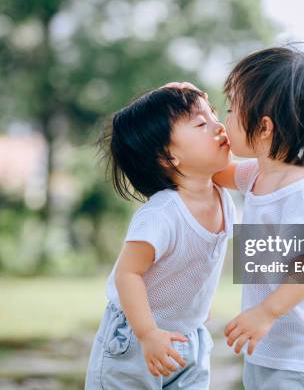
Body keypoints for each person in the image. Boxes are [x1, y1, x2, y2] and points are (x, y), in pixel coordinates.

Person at [213, 46, 304, 390]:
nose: (225, 121)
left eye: (232, 110)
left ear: (264, 128)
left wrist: (266, 312)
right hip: (278, 345)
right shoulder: (256, 174)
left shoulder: (300, 195)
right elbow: (215, 173)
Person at [85, 86, 235, 389]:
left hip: (189, 337)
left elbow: (267, 177)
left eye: (215, 116)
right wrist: (147, 333)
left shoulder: (222, 190)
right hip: (135, 338)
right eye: (201, 123)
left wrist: (186, 92)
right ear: (168, 156)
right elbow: (128, 274)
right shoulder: (162, 214)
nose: (218, 126)